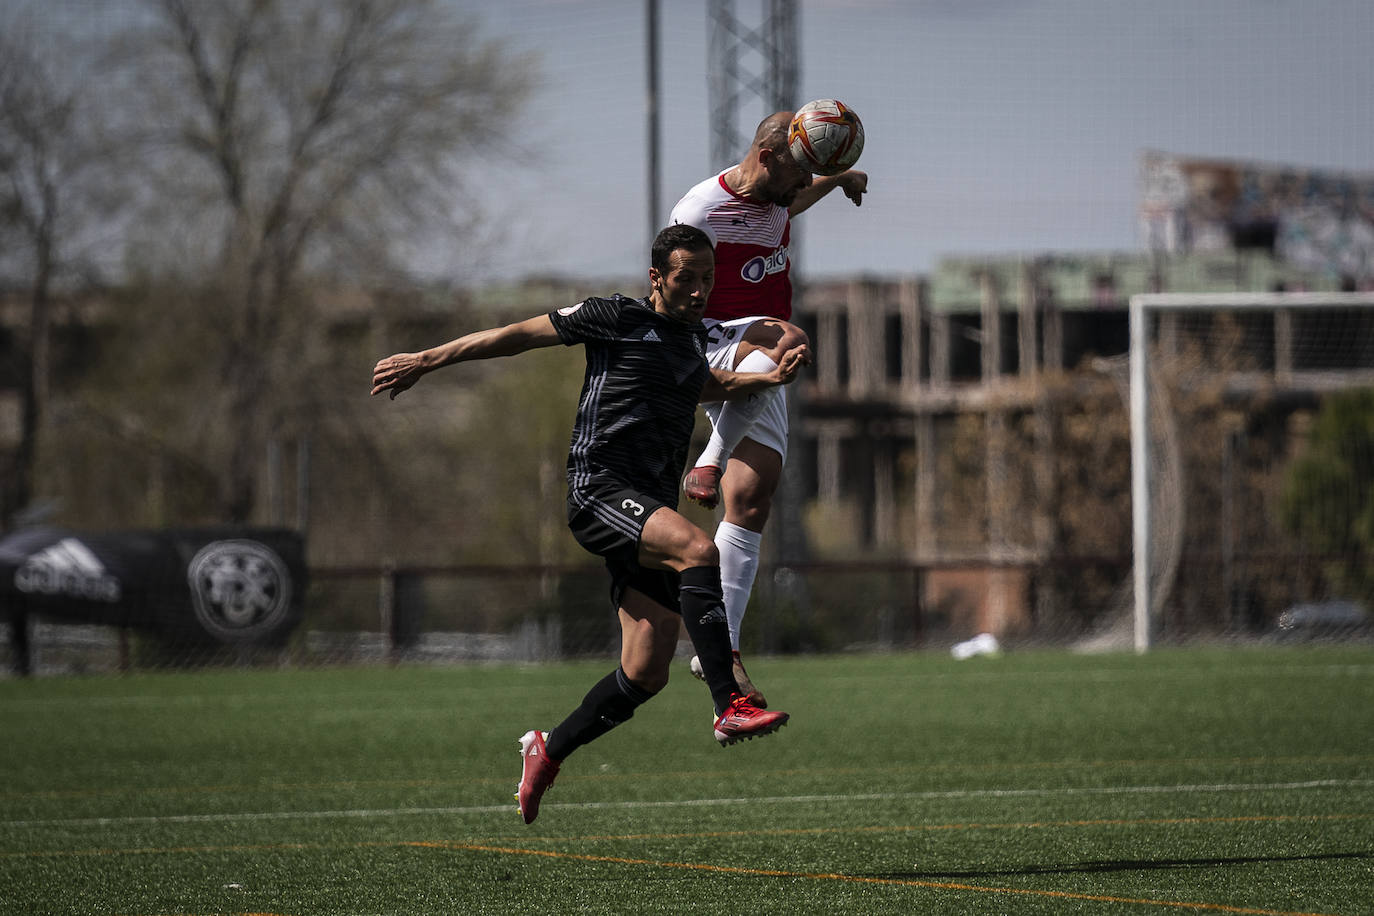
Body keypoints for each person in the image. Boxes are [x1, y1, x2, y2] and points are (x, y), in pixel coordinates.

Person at [371, 224, 811, 825]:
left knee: (646, 669)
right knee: (698, 551)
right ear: (657, 277)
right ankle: (727, 700)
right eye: (686, 278)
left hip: (645, 507)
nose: (699, 290)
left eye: (707, 279)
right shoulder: (615, 317)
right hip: (599, 490)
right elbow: (517, 335)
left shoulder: (688, 347)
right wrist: (428, 359)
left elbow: (715, 384)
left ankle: (548, 749)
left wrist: (771, 379)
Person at [670, 111, 868, 705]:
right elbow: (666, 283)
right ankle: (706, 459)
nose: (805, 183)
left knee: (752, 498)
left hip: (756, 352)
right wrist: (677, 358)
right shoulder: (701, 210)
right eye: (802, 170)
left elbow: (793, 201)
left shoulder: (780, 192)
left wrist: (841, 179)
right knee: (791, 338)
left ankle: (719, 651)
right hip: (712, 338)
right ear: (767, 155)